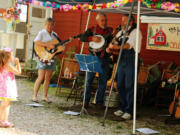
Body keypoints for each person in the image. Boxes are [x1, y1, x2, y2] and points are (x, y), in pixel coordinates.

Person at [107, 14, 142, 120]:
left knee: (129, 85)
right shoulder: (121, 32)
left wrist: (116, 47)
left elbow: (128, 45)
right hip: (121, 60)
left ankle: (129, 110)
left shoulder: (136, 32)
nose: (122, 23)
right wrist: (110, 46)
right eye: (122, 21)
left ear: (130, 22)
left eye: (124, 21)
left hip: (132, 60)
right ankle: (123, 107)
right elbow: (114, 41)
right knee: (120, 84)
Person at [80, 12, 113, 108]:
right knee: (89, 80)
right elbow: (82, 38)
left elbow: (112, 43)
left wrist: (110, 49)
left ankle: (99, 103)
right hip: (92, 56)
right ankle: (85, 101)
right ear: (97, 21)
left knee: (103, 81)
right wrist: (92, 38)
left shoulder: (110, 31)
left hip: (105, 58)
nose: (104, 22)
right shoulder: (91, 29)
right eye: (102, 20)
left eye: (105, 20)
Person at [32, 18, 59, 103]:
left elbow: (56, 45)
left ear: (53, 25)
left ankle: (44, 96)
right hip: (43, 57)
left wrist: (59, 48)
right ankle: (34, 96)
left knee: (48, 78)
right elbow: (36, 42)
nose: (49, 26)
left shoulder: (55, 34)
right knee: (41, 77)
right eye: (48, 24)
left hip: (51, 57)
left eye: (51, 25)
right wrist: (47, 45)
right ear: (45, 24)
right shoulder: (42, 33)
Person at [0, 48, 21, 128]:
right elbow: (18, 72)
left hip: (3, 88)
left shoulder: (2, 65)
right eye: (12, 55)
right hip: (7, 88)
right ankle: (3, 121)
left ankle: (3, 120)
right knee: (6, 104)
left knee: (5, 104)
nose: (13, 57)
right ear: (8, 57)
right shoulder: (8, 66)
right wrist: (18, 63)